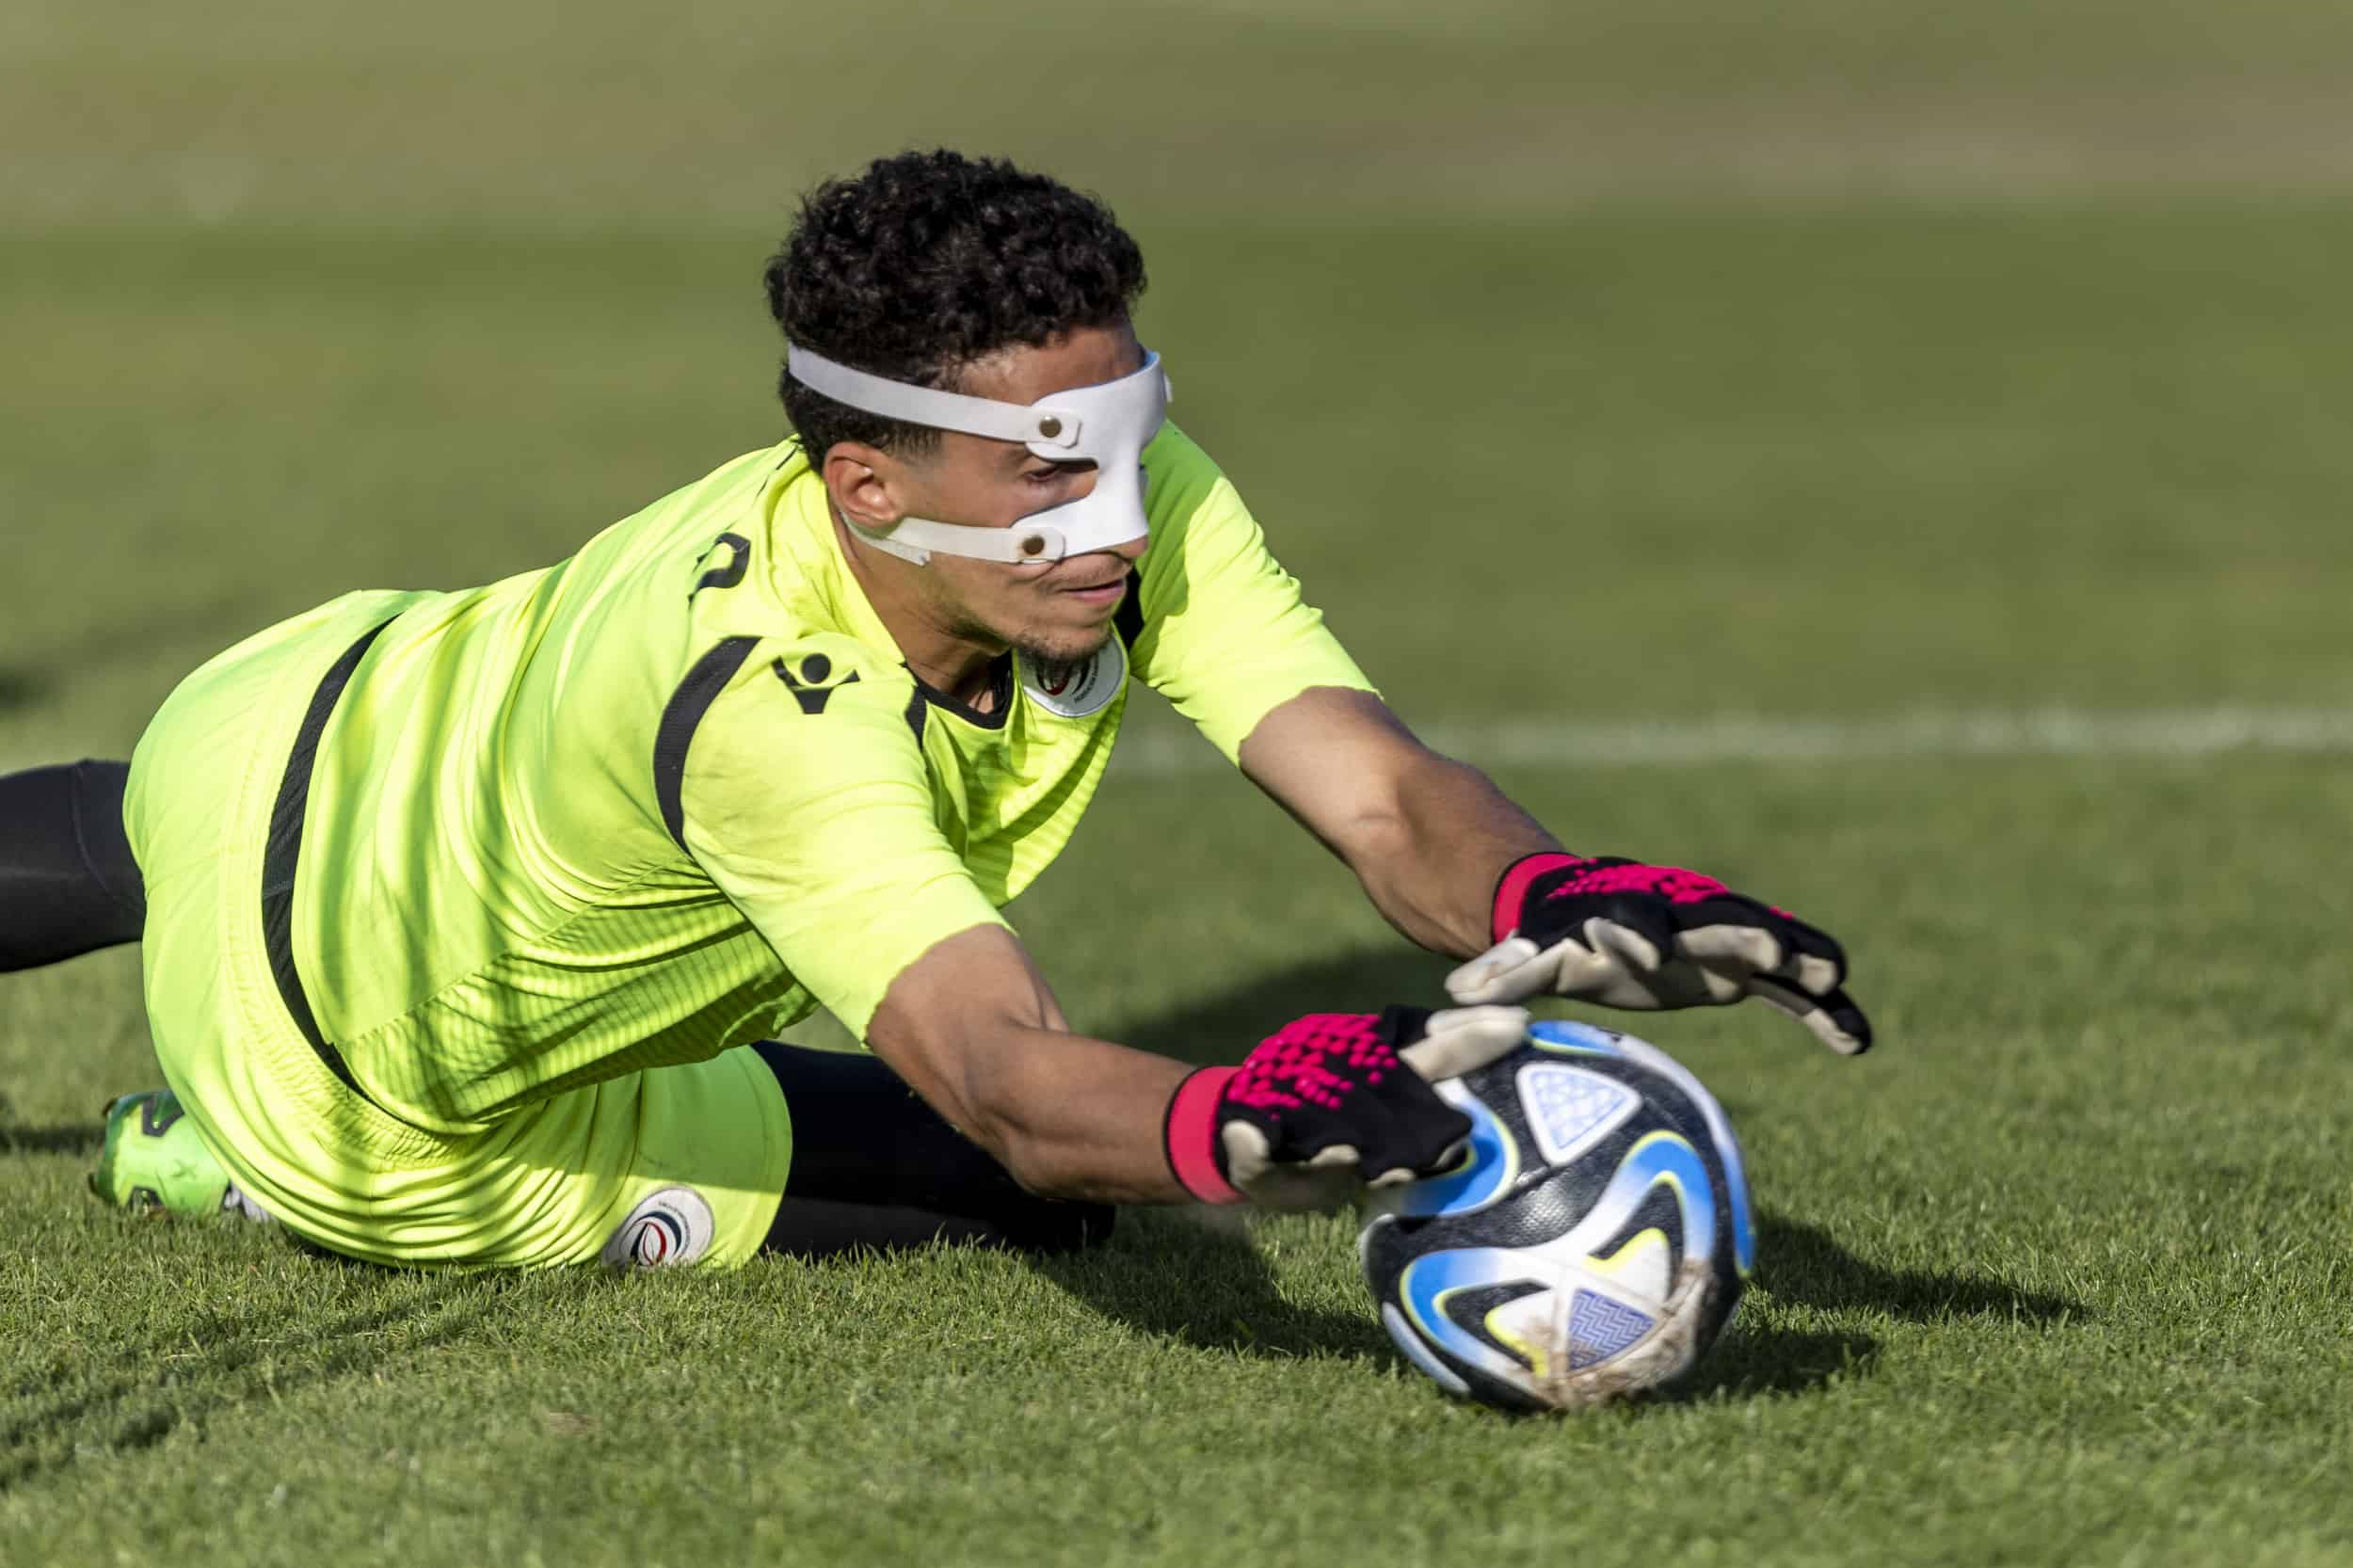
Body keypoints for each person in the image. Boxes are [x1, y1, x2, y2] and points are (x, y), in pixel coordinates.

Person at [0, 150, 1869, 1271]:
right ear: (866, 490)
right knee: (1029, 1196)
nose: (1115, 524)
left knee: (171, 818)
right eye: (1049, 480)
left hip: (286, 714)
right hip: (359, 1093)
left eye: (1129, 442)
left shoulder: (1093, 510)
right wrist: (1227, 1115)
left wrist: (1545, 894)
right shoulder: (765, 710)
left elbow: (1378, 796)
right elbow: (1006, 1082)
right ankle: (218, 1155)